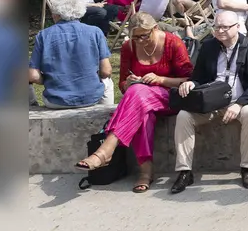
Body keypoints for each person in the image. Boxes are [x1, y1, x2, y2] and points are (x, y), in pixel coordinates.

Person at [73, 13, 193, 191]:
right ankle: (145, 172)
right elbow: (122, 84)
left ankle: (107, 149)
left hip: (171, 96)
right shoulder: (128, 47)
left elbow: (189, 79)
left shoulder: (172, 43)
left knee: (137, 94)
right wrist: (128, 82)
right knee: (142, 112)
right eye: (135, 36)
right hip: (141, 101)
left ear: (156, 29)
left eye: (145, 35)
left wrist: (160, 79)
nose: (140, 40)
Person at [170, 9, 248, 193]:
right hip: (212, 102)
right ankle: (184, 171)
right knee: (184, 116)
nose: (220, 31)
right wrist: (191, 83)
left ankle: (247, 167)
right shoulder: (208, 46)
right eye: (217, 27)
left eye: (224, 27)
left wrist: (239, 104)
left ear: (237, 27)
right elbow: (198, 76)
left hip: (242, 99)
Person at [28, 0, 112, 109]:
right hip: (91, 98)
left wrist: (49, 80)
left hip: (56, 100)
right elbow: (106, 71)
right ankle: (108, 116)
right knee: (108, 82)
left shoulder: (43, 35)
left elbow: (33, 75)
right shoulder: (95, 32)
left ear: (56, 14)